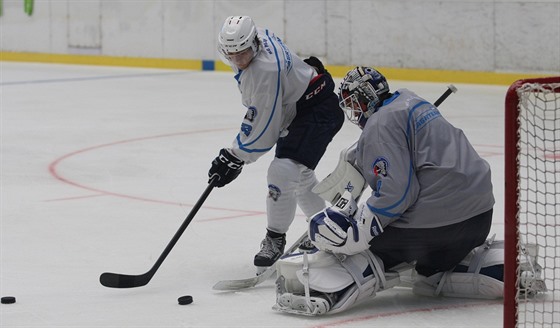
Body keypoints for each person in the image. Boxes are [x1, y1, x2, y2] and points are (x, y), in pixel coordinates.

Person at [272, 66, 544, 315]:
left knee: (367, 248)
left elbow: (396, 194)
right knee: (426, 271)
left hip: (437, 228)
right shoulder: (412, 101)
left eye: (355, 102)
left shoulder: (380, 124)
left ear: (366, 97)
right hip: (478, 220)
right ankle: (488, 269)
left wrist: (360, 231)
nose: (354, 110)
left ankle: (329, 287)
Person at [208, 16, 345, 273]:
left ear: (255, 43)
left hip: (316, 111)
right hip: (304, 104)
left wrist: (234, 156)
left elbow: (262, 130)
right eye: (232, 55)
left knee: (283, 171)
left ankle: (274, 239)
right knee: (297, 176)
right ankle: (326, 229)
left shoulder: (263, 72)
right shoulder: (256, 35)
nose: (239, 60)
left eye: (243, 53)